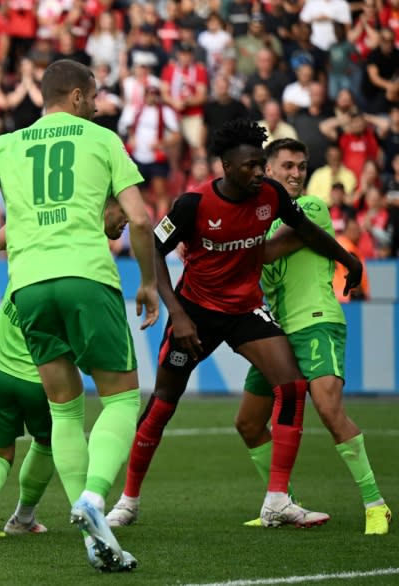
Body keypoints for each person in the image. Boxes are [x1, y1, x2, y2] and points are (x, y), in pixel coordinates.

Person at [0, 59, 159, 572]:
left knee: (64, 410)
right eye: (94, 95)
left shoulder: (7, 144)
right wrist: (150, 282)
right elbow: (139, 216)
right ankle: (91, 499)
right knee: (122, 401)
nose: (97, 103)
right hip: (87, 278)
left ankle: (93, 536)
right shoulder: (101, 139)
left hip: (28, 288)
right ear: (77, 96)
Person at [105, 119, 364, 529]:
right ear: (225, 165)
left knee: (293, 385)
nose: (259, 172)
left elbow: (307, 230)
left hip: (245, 310)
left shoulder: (271, 195)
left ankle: (277, 500)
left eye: (261, 164)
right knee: (162, 405)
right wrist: (178, 313)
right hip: (196, 313)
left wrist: (347, 258)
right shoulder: (193, 204)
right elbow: (154, 248)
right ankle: (128, 501)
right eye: (249, 166)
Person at [0, 197, 129, 546]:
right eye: (120, 207)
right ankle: (25, 516)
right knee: (52, 443)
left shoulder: (33, 230)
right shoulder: (86, 265)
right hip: (42, 379)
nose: (125, 217)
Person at [235, 138, 391, 535]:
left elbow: (269, 252)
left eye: (302, 167)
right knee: (249, 424)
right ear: (267, 171)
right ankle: (283, 501)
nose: (296, 173)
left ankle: (376, 503)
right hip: (278, 333)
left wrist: (223, 246)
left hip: (317, 321)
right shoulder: (256, 221)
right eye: (287, 166)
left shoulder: (311, 208)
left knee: (327, 407)